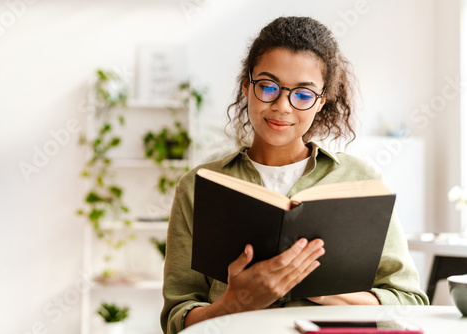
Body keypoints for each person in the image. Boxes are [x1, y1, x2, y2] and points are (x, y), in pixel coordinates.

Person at [160, 16, 428, 334]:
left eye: (302, 94)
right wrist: (237, 302)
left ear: (321, 101)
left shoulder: (361, 180)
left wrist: (320, 289)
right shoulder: (198, 187)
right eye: (268, 87)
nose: (283, 106)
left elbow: (409, 302)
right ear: (246, 87)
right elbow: (176, 320)